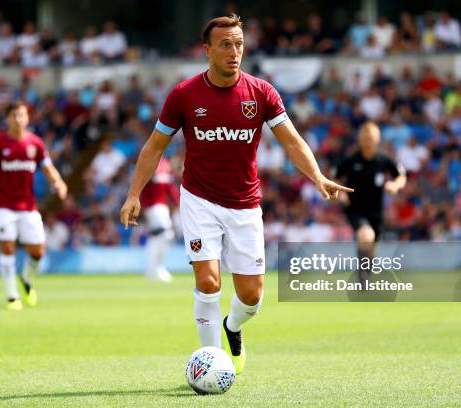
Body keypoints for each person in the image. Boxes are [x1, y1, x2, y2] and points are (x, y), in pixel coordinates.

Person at [120, 14, 352, 375]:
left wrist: (317, 175)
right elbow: (153, 148)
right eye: (225, 44)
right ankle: (211, 363)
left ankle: (232, 327)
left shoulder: (261, 93)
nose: (234, 52)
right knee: (208, 281)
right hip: (198, 199)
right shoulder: (184, 95)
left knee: (252, 296)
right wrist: (134, 193)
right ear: (208, 50)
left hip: (245, 204)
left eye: (239, 44)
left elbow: (290, 140)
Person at [0, 102, 68, 310]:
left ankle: (26, 279)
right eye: (13, 116)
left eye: (21, 115)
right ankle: (12, 297)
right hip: (4, 206)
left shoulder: (35, 143)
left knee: (38, 252)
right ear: (7, 119)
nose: (17, 119)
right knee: (7, 247)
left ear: (27, 118)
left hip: (28, 206)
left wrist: (59, 182)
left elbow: (48, 168)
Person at [333, 121, 406, 287]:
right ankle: (362, 275)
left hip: (377, 212)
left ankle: (366, 270)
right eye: (365, 137)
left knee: (372, 249)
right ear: (359, 139)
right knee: (366, 235)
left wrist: (395, 185)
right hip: (355, 209)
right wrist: (339, 194)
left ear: (378, 139)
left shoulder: (384, 159)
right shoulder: (350, 160)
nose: (368, 140)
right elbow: (334, 180)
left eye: (371, 137)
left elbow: (401, 176)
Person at [140, 157, 179, 282]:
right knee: (165, 234)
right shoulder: (152, 172)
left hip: (159, 209)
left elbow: (172, 192)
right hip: (155, 208)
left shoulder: (162, 173)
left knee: (156, 237)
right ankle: (159, 268)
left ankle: (152, 269)